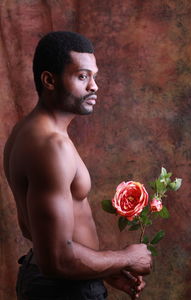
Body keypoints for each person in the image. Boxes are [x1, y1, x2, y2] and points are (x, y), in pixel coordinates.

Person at [3, 31, 152, 300]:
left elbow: (37, 231)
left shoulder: (26, 132)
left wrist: (104, 270)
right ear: (49, 80)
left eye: (94, 76)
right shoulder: (51, 147)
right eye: (83, 76)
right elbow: (57, 259)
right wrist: (126, 257)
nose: (94, 86)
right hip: (63, 290)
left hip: (54, 283)